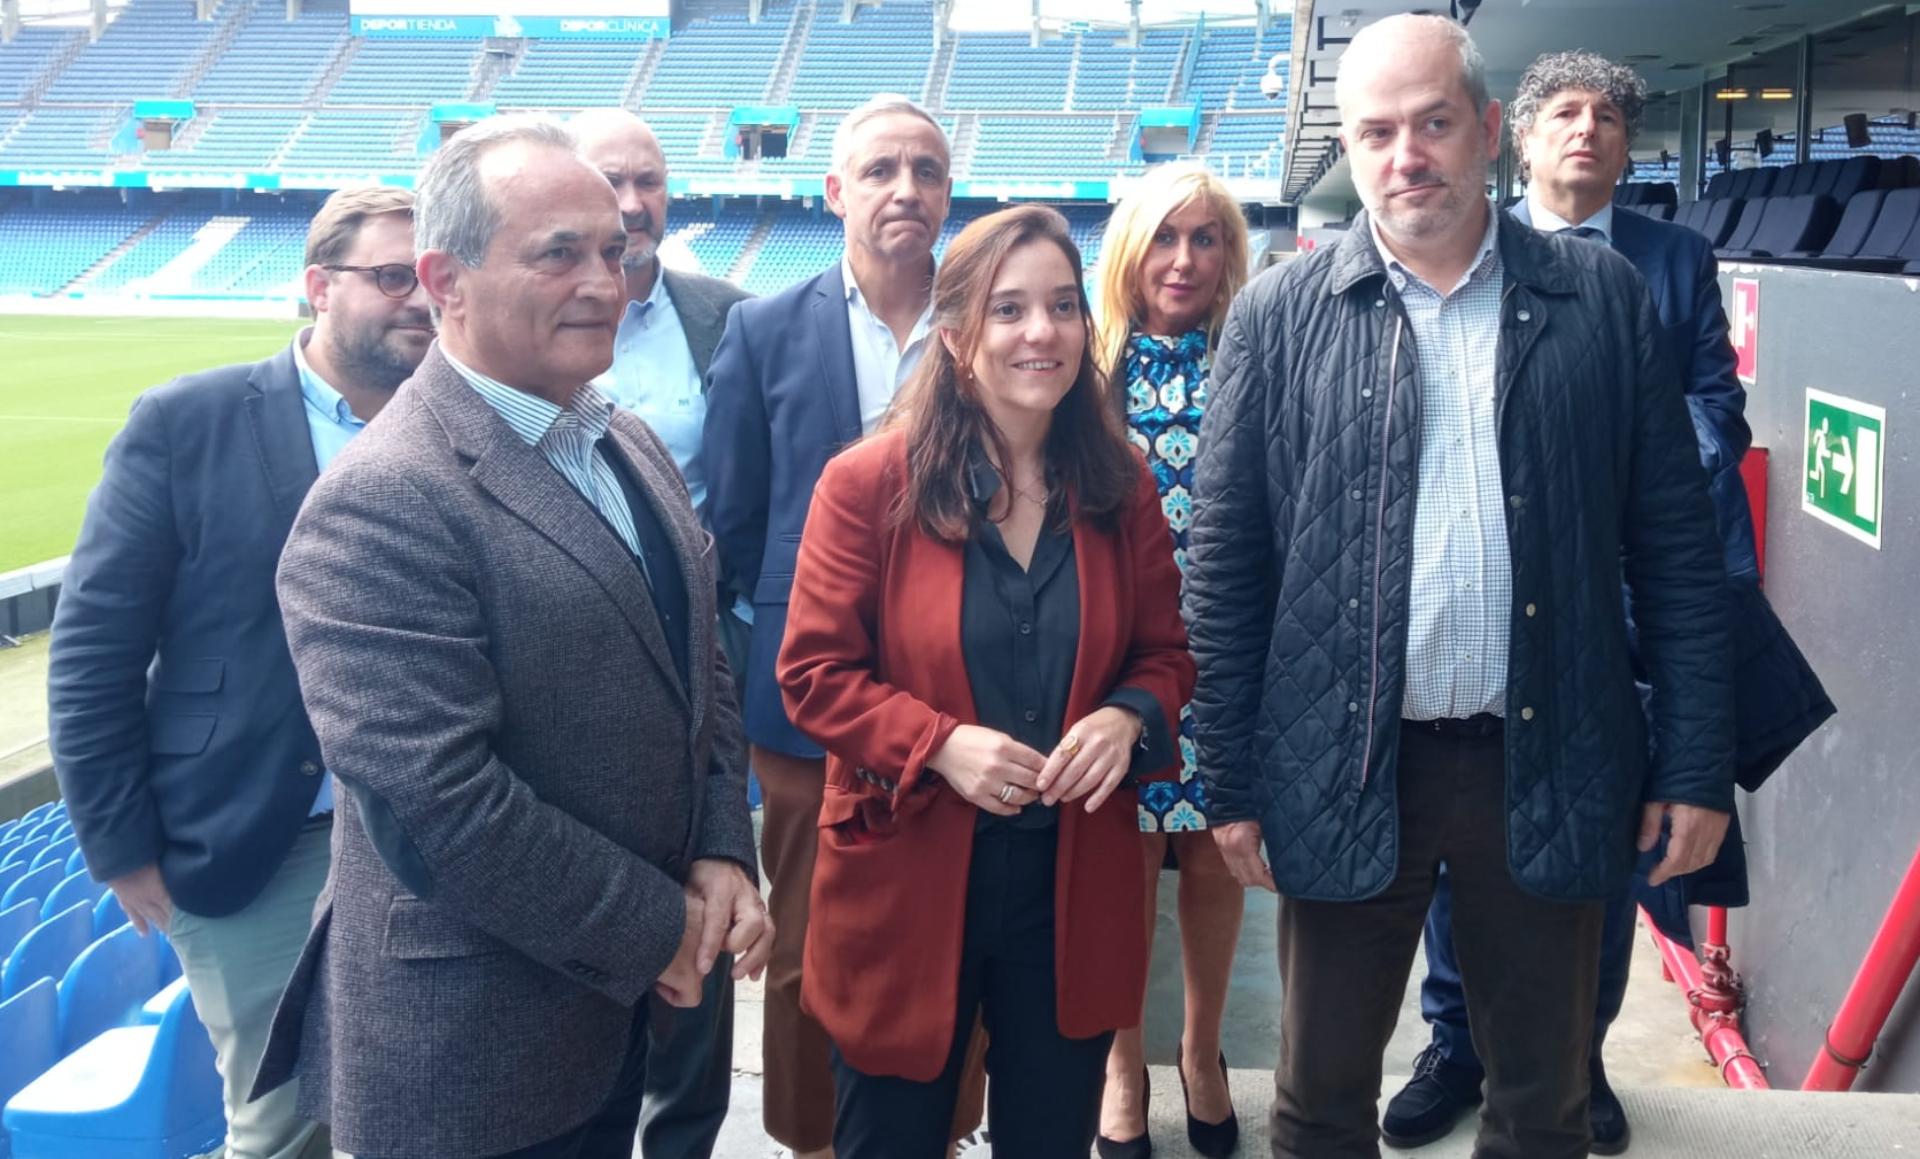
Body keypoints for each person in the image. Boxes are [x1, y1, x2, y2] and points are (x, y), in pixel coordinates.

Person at [1184, 15, 1738, 1159]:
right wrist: (1228, 777)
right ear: (1351, 148)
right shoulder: (1278, 318)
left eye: (1433, 123)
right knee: (1317, 1104)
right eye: (1377, 132)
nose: (1407, 156)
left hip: (1547, 759)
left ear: (1487, 130)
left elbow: (1673, 549)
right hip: (1342, 760)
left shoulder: (1603, 300)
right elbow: (1227, 565)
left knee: (1544, 1109)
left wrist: (1694, 760)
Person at [250, 114, 769, 1159]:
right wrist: (659, 924)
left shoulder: (617, 435)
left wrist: (720, 847)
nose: (605, 279)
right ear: (445, 280)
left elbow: (698, 660)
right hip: (473, 1054)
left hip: (608, 1017)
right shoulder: (384, 498)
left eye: (614, 253)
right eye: (558, 253)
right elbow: (441, 806)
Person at [1384, 49, 1836, 1155]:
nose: (1588, 130)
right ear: (1516, 137)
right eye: (1566, 114)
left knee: (1603, 846)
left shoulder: (1676, 259)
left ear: (1629, 147)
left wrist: (1605, 468)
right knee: (1465, 828)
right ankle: (1457, 1044)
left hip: (1626, 607)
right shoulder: (1477, 253)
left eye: (1609, 118)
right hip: (1497, 594)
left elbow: (1711, 412)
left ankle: (1575, 1055)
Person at [777, 203, 1195, 1158]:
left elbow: (1167, 655)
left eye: (1060, 306)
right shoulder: (866, 484)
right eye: (1009, 310)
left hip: (1071, 875)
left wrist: (1130, 718)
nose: (1039, 332)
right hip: (907, 867)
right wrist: (939, 745)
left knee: (1050, 1137)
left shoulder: (1121, 485)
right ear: (957, 336)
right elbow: (813, 674)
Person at [47, 185, 429, 1159]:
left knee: (418, 1099)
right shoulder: (190, 420)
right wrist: (120, 844)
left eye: (432, 275)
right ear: (317, 286)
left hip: (429, 834)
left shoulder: (460, 423)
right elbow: (95, 646)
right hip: (262, 837)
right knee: (283, 1122)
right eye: (391, 275)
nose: (418, 298)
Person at [704, 91, 983, 1159]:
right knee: (813, 937)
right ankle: (813, 1139)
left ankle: (946, 1128)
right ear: (835, 193)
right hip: (807, 702)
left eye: (925, 170)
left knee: (956, 930)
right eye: (880, 170)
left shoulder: (985, 322)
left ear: (949, 192)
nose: (905, 189)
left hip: (966, 694)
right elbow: (733, 517)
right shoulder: (765, 329)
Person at [571, 105, 755, 1159]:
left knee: (707, 905)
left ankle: (682, 1136)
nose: (634, 204)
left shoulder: (727, 316)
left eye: (649, 182)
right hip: (561, 663)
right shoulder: (514, 328)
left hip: (697, 660)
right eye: (609, 182)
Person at [1088, 162, 1251, 1159]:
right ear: (1129, 252)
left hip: (1229, 649)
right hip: (1121, 655)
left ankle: (1201, 1048)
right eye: (1164, 237)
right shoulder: (1083, 362)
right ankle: (1121, 1066)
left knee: (1214, 850)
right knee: (1123, 856)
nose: (1183, 259)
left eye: (1205, 238)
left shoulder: (1255, 354)